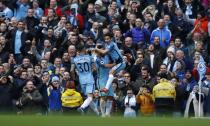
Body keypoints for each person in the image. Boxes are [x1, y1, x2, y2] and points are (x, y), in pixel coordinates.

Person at [70, 44, 98, 115]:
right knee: (90, 97)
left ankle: (97, 112)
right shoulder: (89, 57)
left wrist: (74, 78)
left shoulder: (74, 59)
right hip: (89, 78)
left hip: (81, 79)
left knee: (89, 98)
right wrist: (91, 71)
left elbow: (71, 70)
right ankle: (82, 107)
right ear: (84, 49)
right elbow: (95, 68)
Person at [95, 43, 115, 117]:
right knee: (103, 96)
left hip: (108, 79)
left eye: (103, 49)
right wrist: (114, 64)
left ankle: (107, 113)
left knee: (110, 96)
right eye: (101, 49)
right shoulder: (97, 58)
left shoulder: (107, 56)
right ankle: (103, 114)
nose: (103, 51)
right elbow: (105, 66)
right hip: (101, 80)